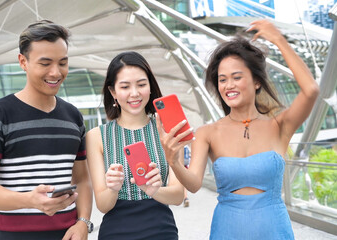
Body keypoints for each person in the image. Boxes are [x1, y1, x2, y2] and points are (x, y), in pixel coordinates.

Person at [157, 20, 319, 239]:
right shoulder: (207, 132)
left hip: (274, 229)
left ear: (257, 82)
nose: (228, 85)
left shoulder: (279, 126)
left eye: (237, 77)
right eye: (222, 80)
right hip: (227, 229)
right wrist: (174, 161)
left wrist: (279, 40)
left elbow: (310, 90)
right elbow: (194, 184)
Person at [0, 20, 93, 240]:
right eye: (45, 63)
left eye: (62, 63)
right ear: (23, 62)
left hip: (69, 235)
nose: (56, 72)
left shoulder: (73, 116)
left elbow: (82, 179)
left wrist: (83, 222)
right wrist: (30, 200)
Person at [86, 51, 185, 240]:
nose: (134, 93)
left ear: (150, 86)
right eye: (125, 86)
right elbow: (103, 205)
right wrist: (113, 189)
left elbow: (178, 195)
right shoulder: (96, 136)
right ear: (113, 92)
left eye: (141, 84)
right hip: (115, 233)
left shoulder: (168, 130)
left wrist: (154, 190)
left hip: (161, 231)